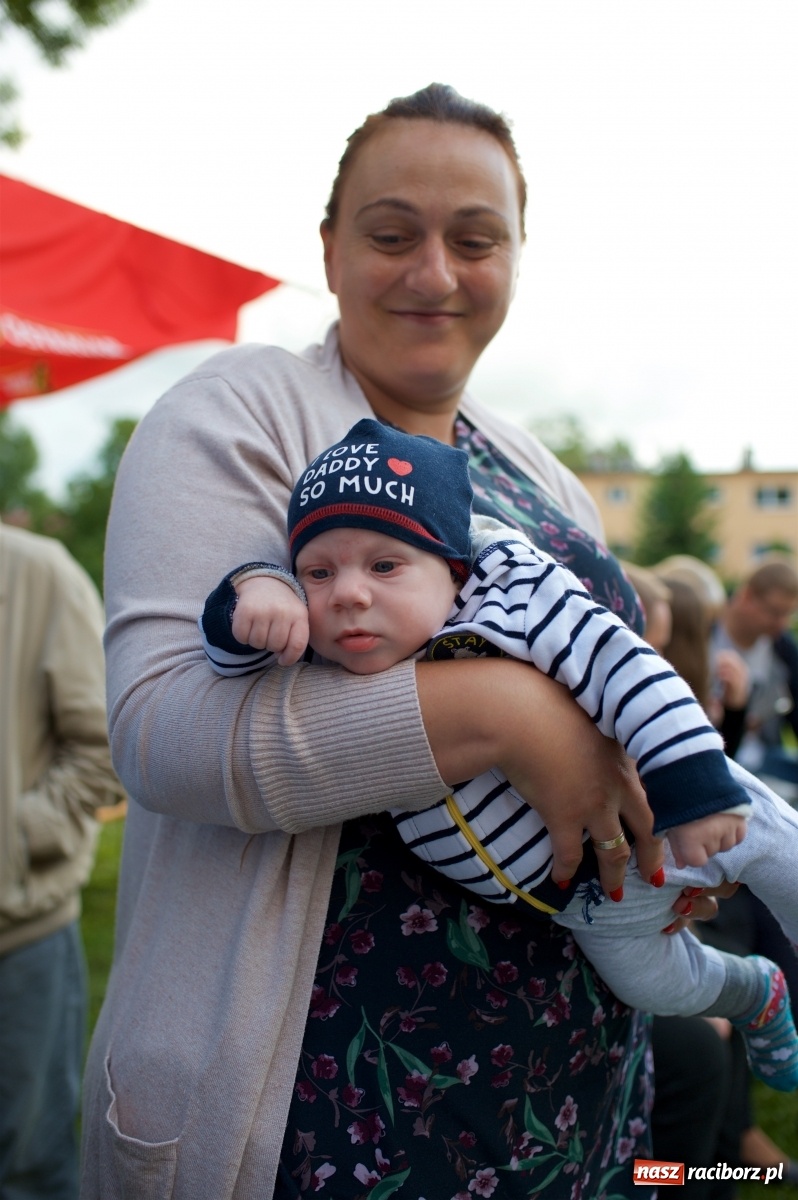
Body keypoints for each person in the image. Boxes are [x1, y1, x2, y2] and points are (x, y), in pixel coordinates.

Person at [82, 84, 723, 1200]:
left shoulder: (535, 467)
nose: (434, 273)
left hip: (572, 1102)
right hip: (334, 1124)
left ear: (516, 260)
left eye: (476, 240)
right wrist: (502, 718)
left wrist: (669, 823)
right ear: (329, 251)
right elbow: (161, 734)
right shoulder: (237, 412)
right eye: (392, 235)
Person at [201, 418, 798, 1093]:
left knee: (776, 850)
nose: (349, 592)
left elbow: (627, 666)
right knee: (654, 985)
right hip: (586, 903)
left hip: (659, 809)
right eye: (317, 570)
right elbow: (224, 661)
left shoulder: (510, 599)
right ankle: (756, 994)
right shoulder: (329, 640)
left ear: (453, 571)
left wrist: (698, 789)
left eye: (386, 564)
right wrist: (260, 590)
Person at [0, 521, 124, 1200]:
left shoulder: (36, 572)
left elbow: (106, 746)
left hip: (18, 940)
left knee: (27, 1166)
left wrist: (16, 840)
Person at [713, 562, 798, 791]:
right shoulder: (707, 635)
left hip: (766, 759)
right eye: (775, 612)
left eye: (789, 613)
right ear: (747, 596)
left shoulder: (783, 648)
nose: (783, 623)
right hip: (716, 755)